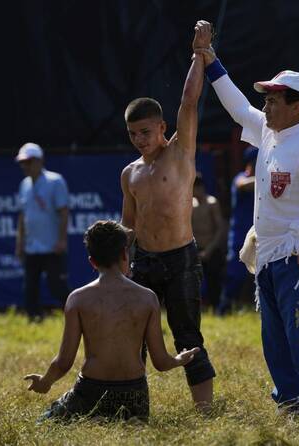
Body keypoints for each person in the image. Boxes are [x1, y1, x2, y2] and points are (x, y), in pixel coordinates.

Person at [194, 28, 299, 415]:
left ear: (298, 107)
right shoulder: (268, 131)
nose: (267, 107)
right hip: (268, 254)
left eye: (275, 100)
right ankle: (290, 399)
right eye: (267, 100)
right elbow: (237, 107)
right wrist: (211, 61)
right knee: (275, 337)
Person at [120, 21, 216, 410]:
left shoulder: (180, 153)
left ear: (162, 127)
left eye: (145, 132)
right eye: (132, 134)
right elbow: (128, 224)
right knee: (134, 337)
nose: (139, 140)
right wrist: (118, 263)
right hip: (143, 262)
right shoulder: (129, 173)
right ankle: (132, 406)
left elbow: (189, 102)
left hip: (181, 259)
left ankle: (205, 411)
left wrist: (199, 55)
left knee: (187, 334)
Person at [24, 220, 199, 422]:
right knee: (128, 417)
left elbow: (63, 362)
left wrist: (45, 382)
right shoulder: (148, 298)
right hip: (134, 394)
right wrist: (179, 359)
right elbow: (160, 362)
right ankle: (126, 420)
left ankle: (96, 419)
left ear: (92, 262)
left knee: (44, 422)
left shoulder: (78, 299)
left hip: (91, 390)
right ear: (125, 254)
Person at [15, 142, 69, 321]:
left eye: (29, 162)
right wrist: (20, 243)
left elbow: (63, 212)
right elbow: (23, 216)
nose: (25, 166)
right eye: (22, 162)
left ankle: (76, 313)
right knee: (29, 287)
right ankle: (34, 319)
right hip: (32, 247)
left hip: (52, 246)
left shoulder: (55, 181)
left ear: (39, 161)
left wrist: (62, 240)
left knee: (57, 287)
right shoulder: (24, 185)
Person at [217, 146, 257, 316]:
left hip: (259, 233)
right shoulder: (241, 178)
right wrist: (268, 178)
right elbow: (242, 185)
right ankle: (224, 307)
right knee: (235, 273)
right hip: (240, 234)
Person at [191, 172, 227, 309]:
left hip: (211, 248)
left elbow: (220, 228)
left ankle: (217, 307)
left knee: (214, 280)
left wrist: (209, 250)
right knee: (194, 281)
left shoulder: (212, 203)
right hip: (196, 249)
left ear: (201, 187)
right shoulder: (190, 204)